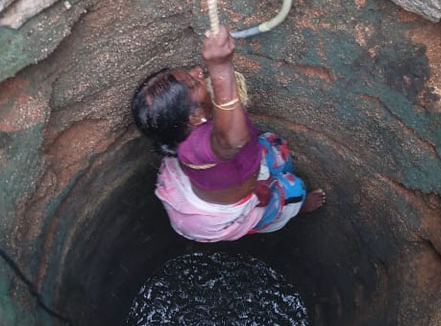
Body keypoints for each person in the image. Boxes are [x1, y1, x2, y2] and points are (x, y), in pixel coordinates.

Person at [131, 25, 325, 242]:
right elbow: (234, 140)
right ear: (195, 118)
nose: (198, 70)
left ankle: (272, 179)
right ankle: (296, 209)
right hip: (236, 203)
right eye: (193, 82)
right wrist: (220, 66)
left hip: (244, 165)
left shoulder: (191, 126)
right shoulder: (193, 149)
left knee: (277, 149)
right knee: (294, 190)